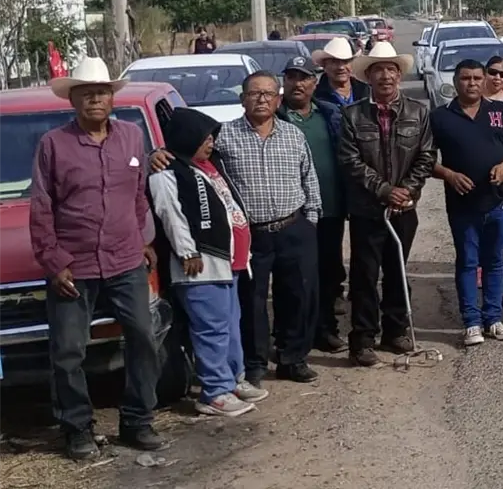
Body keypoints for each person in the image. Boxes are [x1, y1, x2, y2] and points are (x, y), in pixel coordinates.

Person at [31, 58, 163, 460]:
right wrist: (54, 262)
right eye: (87, 93)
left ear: (112, 97)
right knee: (69, 351)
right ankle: (77, 428)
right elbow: (41, 206)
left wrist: (143, 238)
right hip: (75, 265)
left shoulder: (131, 136)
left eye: (102, 92)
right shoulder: (53, 144)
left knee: (144, 337)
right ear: (73, 99)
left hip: (125, 259)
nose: (95, 99)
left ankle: (138, 420)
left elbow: (138, 195)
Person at [158, 71, 324, 385]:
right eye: (254, 93)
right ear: (242, 99)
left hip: (294, 227)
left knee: (299, 296)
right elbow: (186, 158)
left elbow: (309, 178)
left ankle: (293, 358)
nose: (262, 99)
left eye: (268, 94)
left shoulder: (293, 135)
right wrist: (157, 156)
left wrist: (311, 220)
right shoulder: (223, 137)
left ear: (278, 99)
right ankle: (255, 362)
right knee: (252, 301)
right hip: (251, 235)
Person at [150, 108, 264, 417]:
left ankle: (232, 378)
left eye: (212, 137)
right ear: (187, 138)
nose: (211, 143)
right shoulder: (167, 173)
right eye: (205, 138)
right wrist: (188, 252)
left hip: (230, 263)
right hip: (199, 266)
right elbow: (171, 216)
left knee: (229, 324)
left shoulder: (206, 166)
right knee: (210, 328)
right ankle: (214, 391)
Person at [340, 44, 436, 366]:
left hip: (404, 209)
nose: (385, 76)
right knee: (365, 275)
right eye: (378, 69)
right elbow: (350, 162)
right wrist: (383, 190)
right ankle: (362, 339)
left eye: (391, 69)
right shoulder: (352, 115)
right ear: (368, 76)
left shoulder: (418, 112)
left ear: (399, 74)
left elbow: (426, 156)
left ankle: (395, 332)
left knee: (397, 270)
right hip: (368, 210)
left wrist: (406, 190)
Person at [430, 60, 503, 346]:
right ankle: (471, 322)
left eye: (476, 78)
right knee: (468, 262)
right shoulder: (440, 117)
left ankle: (494, 319)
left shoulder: (501, 111)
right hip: (462, 204)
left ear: (484, 80)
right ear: (456, 81)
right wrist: (448, 174)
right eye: (465, 78)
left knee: (496, 261)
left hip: (498, 201)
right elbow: (424, 159)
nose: (471, 83)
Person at [277, 57, 350, 353]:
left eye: (304, 77)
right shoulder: (275, 117)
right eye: (292, 77)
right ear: (284, 82)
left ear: (314, 83)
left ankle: (325, 329)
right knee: (290, 278)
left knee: (328, 273)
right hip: (290, 214)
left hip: (330, 210)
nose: (297, 83)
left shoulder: (330, 114)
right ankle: (288, 336)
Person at [313, 36, 370, 107]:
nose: (341, 67)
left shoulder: (365, 91)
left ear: (352, 64)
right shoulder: (315, 97)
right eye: (334, 62)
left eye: (345, 61)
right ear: (324, 66)